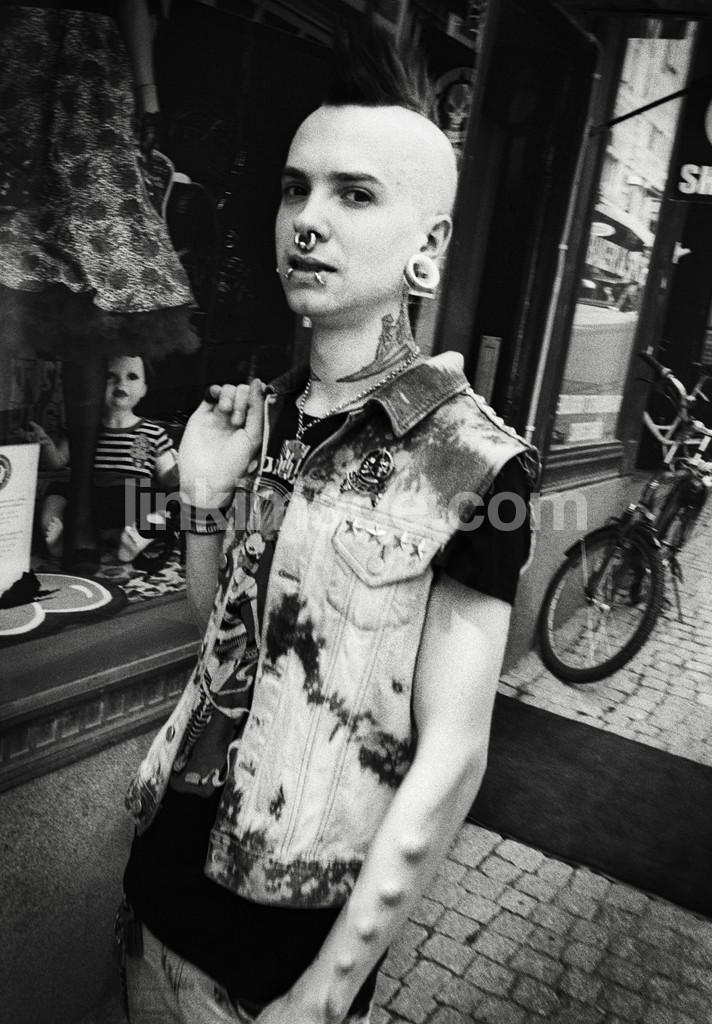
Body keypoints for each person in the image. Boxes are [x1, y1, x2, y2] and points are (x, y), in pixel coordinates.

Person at [121, 23, 538, 1024]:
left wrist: (326, 990)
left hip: (277, 964)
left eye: (354, 195)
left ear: (427, 246)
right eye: (294, 188)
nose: (307, 220)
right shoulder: (259, 415)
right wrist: (203, 498)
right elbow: (221, 642)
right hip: (153, 895)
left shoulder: (475, 465)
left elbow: (455, 757)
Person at [0, 0, 198, 573]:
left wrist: (146, 90)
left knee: (92, 287)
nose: (125, 385)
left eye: (132, 378)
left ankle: (83, 509)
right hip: (20, 52)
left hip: (86, 69)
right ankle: (47, 511)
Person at [27, 354, 179, 569]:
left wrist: (179, 468)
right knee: (56, 493)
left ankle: (136, 539)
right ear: (95, 384)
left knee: (167, 502)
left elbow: (167, 478)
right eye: (110, 376)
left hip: (131, 501)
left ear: (144, 389)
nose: (121, 384)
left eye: (132, 376)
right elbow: (57, 461)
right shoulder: (85, 427)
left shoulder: (153, 432)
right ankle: (58, 538)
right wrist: (44, 444)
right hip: (90, 502)